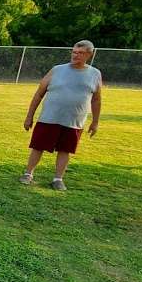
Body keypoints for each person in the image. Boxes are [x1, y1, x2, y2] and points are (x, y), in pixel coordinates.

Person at [19, 40, 102, 190]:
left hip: (74, 121)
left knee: (65, 150)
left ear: (89, 54)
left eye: (80, 53)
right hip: (49, 118)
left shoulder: (95, 74)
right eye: (74, 52)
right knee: (38, 147)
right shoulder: (57, 70)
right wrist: (29, 116)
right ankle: (28, 174)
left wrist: (95, 122)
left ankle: (58, 179)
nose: (75, 55)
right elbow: (39, 94)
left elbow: (96, 100)